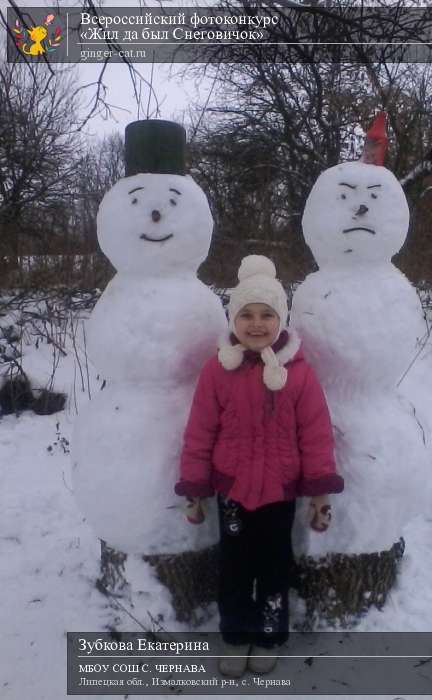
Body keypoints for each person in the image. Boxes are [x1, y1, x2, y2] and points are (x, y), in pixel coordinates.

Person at [175, 255, 344, 677]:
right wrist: (195, 489)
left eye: (266, 314)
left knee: (273, 568)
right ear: (233, 320)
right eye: (245, 314)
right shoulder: (217, 371)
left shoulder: (299, 374)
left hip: (279, 493)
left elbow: (317, 434)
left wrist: (319, 492)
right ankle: (235, 637)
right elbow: (199, 432)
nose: (255, 324)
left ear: (281, 319)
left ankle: (268, 635)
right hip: (231, 492)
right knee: (234, 569)